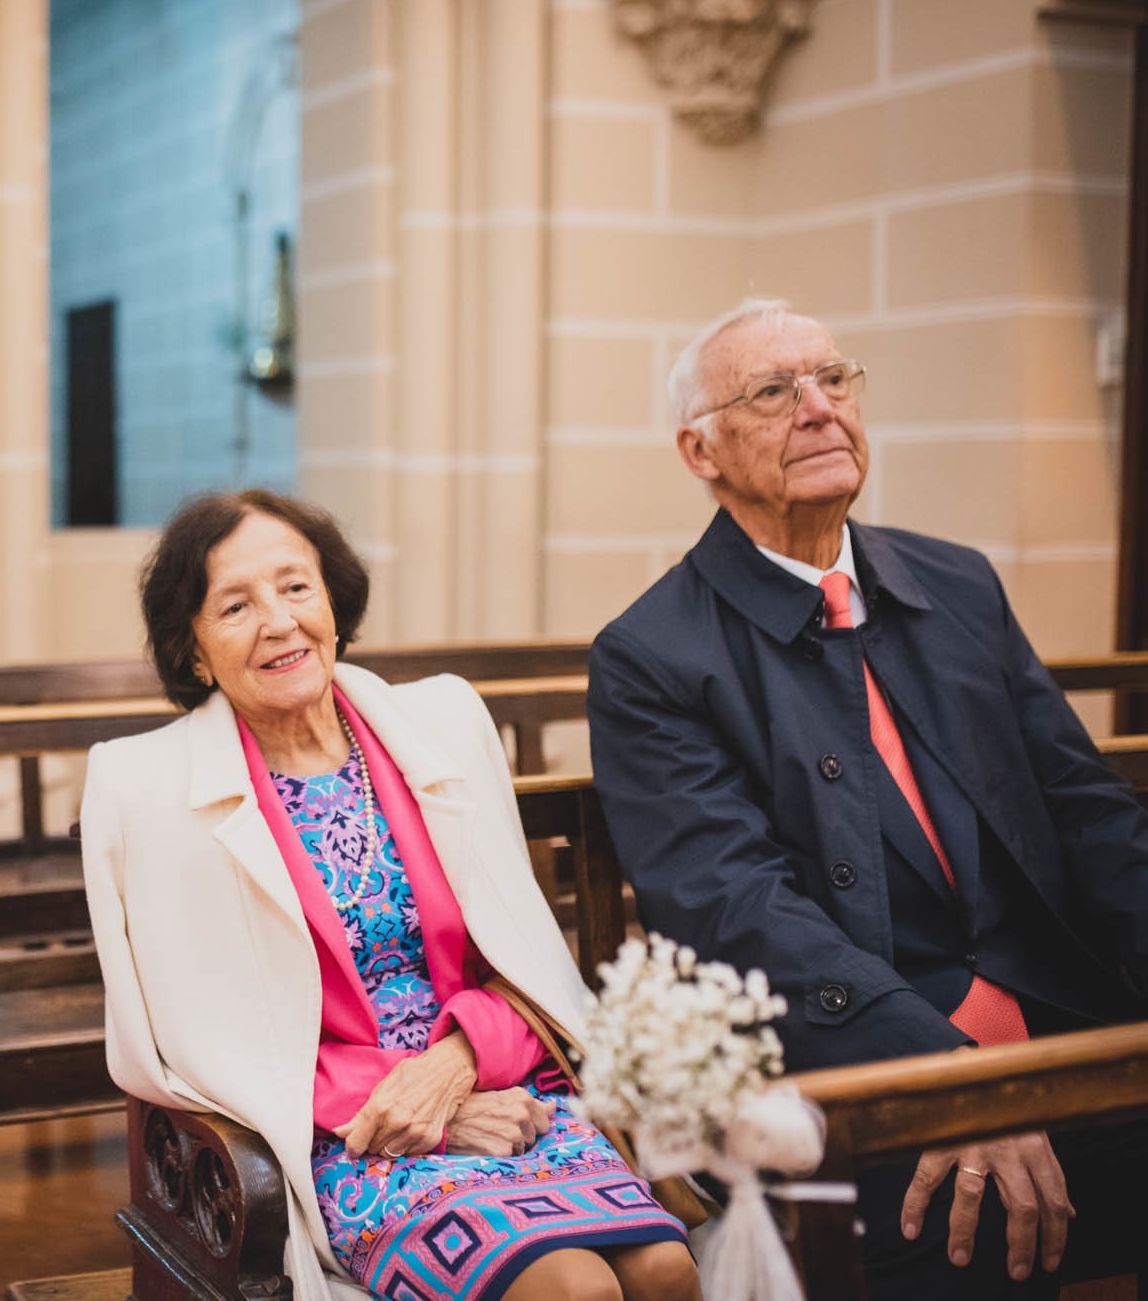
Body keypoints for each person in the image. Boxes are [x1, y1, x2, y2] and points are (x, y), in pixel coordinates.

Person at [587, 298, 1148, 1299]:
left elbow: (1088, 814)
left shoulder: (956, 582)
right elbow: (738, 915)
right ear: (699, 451)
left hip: (1063, 1021)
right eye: (771, 391)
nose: (815, 407)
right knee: (961, 1220)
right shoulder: (651, 656)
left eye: (832, 379)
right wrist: (953, 1084)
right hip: (858, 1069)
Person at [81, 490, 699, 1301]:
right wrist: (416, 1106)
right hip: (347, 1135)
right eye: (236, 605)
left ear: (333, 600)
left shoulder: (439, 723)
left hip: (505, 1091)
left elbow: (524, 957)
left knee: (665, 1269)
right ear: (193, 652)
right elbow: (202, 1042)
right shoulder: (146, 788)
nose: (279, 620)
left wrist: (460, 1065)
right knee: (571, 1289)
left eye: (297, 587)